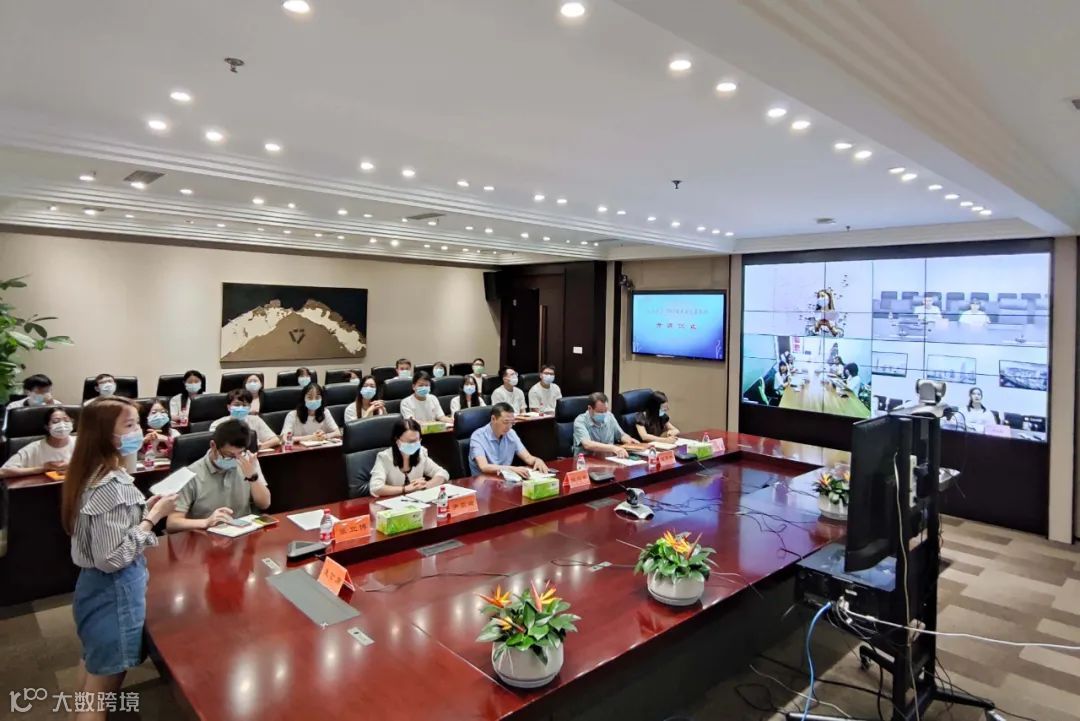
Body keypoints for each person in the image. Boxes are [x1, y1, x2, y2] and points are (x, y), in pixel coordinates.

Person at [61, 397, 177, 710]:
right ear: (105, 434)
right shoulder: (111, 485)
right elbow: (112, 558)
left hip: (93, 587)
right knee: (101, 693)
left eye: (137, 423)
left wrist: (144, 511)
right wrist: (154, 518)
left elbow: (111, 528)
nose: (139, 431)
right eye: (129, 425)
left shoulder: (89, 472)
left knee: (92, 668)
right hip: (113, 593)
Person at [166, 419, 270, 532]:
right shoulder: (190, 474)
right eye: (229, 455)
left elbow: (264, 504)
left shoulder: (247, 463)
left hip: (242, 533)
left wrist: (253, 478)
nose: (235, 459)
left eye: (240, 453)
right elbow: (172, 523)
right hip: (205, 536)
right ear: (213, 445)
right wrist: (206, 522)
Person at [369, 418, 450, 497]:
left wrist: (426, 485)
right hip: (391, 502)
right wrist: (406, 489)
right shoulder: (384, 457)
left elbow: (443, 473)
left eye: (417, 440)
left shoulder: (421, 453)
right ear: (397, 441)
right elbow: (376, 487)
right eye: (410, 441)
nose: (414, 444)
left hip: (417, 501)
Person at [468, 403, 549, 477]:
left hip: (505, 480)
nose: (509, 427)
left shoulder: (511, 433)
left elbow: (527, 457)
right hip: (483, 482)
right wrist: (512, 469)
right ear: (493, 419)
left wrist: (537, 460)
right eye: (506, 422)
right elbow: (484, 466)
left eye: (512, 423)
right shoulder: (478, 436)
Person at [0, 407, 76, 478]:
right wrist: (43, 469)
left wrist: (72, 466)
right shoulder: (33, 448)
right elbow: (2, 472)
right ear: (47, 427)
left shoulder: (80, 443)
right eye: (55, 421)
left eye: (66, 420)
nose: (62, 425)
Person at [209, 389, 281, 450]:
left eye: (244, 405)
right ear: (229, 407)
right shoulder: (217, 424)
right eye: (237, 405)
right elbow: (216, 446)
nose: (241, 408)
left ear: (249, 407)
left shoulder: (256, 420)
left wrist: (257, 447)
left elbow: (275, 440)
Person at [573, 392, 635, 458]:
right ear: (590, 408)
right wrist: (613, 448)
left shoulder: (609, 416)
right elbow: (587, 444)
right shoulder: (580, 421)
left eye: (605, 411)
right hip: (586, 460)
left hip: (608, 458)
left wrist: (630, 441)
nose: (604, 414)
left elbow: (621, 435)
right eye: (600, 412)